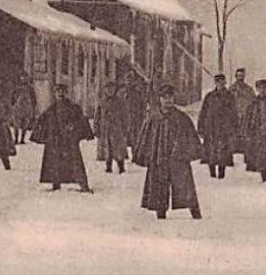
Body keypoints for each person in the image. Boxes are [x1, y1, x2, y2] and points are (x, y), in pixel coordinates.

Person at [137, 83, 204, 220]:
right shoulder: (153, 118)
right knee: (158, 185)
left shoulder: (181, 118)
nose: (168, 100)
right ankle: (160, 213)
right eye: (164, 97)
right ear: (160, 99)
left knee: (185, 185)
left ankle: (195, 212)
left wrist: (185, 152)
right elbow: (145, 138)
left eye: (170, 97)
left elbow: (191, 137)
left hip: (177, 158)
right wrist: (146, 155)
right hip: (159, 158)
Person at [31, 83, 94, 192]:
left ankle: (84, 185)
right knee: (54, 162)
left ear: (66, 93)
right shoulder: (51, 109)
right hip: (56, 141)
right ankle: (56, 184)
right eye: (57, 91)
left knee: (75, 162)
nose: (60, 94)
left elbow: (81, 120)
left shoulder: (74, 108)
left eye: (62, 91)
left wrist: (74, 127)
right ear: (55, 94)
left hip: (69, 141)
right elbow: (42, 120)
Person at [197, 72, 238, 179]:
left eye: (222, 81)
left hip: (224, 129)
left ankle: (221, 173)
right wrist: (201, 127)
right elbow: (203, 113)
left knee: (223, 151)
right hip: (211, 128)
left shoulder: (229, 96)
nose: (220, 84)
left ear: (225, 82)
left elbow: (234, 113)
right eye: (218, 81)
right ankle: (212, 173)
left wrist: (234, 128)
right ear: (215, 83)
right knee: (211, 150)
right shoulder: (210, 96)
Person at [93, 80, 132, 174]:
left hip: (117, 129)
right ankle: (108, 167)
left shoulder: (120, 102)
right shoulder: (102, 102)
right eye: (108, 88)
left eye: (112, 88)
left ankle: (121, 167)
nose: (110, 90)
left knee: (118, 149)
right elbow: (97, 116)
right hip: (105, 128)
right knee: (107, 148)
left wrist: (125, 128)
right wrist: (96, 128)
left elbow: (126, 116)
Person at [229, 69, 256, 155]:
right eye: (238, 76)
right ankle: (234, 147)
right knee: (234, 131)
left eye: (242, 76)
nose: (240, 78)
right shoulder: (231, 89)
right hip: (234, 114)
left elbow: (253, 101)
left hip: (245, 114)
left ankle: (243, 148)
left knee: (244, 131)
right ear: (235, 77)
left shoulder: (249, 89)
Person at [9, 74, 38, 146]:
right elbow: (12, 97)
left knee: (25, 123)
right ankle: (16, 139)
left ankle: (22, 139)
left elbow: (33, 98)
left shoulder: (30, 88)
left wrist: (33, 107)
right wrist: (13, 104)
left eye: (25, 78)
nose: (24, 79)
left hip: (27, 108)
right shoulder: (17, 88)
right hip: (18, 108)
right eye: (22, 78)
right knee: (16, 124)